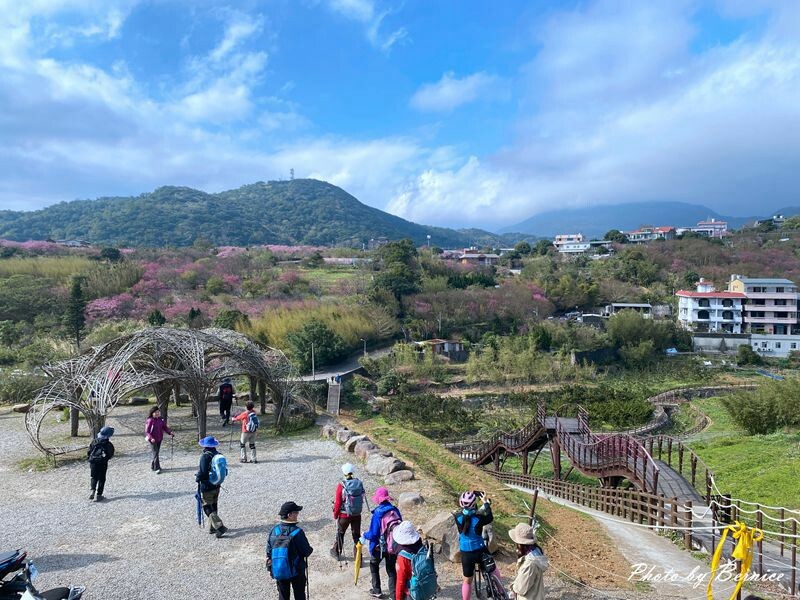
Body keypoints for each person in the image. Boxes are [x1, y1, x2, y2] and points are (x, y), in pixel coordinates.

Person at [266, 501, 314, 600]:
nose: (298, 514)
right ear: (290, 515)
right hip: (296, 571)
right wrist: (310, 549)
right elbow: (306, 552)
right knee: (299, 595)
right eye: (296, 512)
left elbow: (268, 551)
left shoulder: (274, 531)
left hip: (279, 569)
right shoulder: (297, 532)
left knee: (283, 596)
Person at [361, 487, 402, 598]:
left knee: (374, 565)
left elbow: (374, 534)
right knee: (391, 569)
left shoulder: (378, 513)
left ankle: (377, 590)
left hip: (380, 547)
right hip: (393, 546)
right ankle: (394, 595)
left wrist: (364, 535)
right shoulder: (395, 510)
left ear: (379, 500)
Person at [454, 490, 495, 600]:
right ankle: (500, 592)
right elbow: (490, 517)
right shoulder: (479, 518)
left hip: (466, 553)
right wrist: (486, 502)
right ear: (474, 504)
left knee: (467, 580)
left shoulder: (457, 517)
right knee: (493, 571)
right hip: (480, 550)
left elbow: (466, 516)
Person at [195, 436, 228, 538]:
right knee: (214, 505)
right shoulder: (219, 455)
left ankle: (219, 527)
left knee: (206, 506)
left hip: (207, 486)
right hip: (217, 484)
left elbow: (203, 472)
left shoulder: (205, 456)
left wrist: (197, 478)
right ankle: (212, 528)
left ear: (205, 446)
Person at [331, 463, 365, 559]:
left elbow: (338, 503)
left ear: (344, 472)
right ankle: (358, 557)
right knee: (356, 536)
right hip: (357, 514)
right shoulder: (359, 483)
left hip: (344, 515)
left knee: (340, 533)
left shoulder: (342, 485)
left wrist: (335, 514)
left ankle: (336, 552)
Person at [508, 523, 548, 600]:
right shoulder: (536, 552)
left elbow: (521, 589)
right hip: (536, 594)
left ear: (520, 544)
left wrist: (513, 587)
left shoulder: (529, 564)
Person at [393, 521, 424, 600]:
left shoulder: (403, 557)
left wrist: (398, 598)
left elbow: (400, 581)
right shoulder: (421, 547)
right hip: (424, 588)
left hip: (411, 591)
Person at [87, 426, 115, 502]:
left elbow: (89, 452)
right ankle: (99, 495)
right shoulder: (108, 444)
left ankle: (92, 490)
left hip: (93, 462)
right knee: (102, 478)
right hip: (102, 463)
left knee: (93, 477)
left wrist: (90, 458)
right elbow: (110, 454)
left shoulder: (94, 441)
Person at [145, 406, 174, 473]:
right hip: (152, 440)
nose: (157, 413)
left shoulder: (161, 419)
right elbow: (147, 432)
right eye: (155, 412)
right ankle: (157, 468)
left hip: (159, 438)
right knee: (155, 453)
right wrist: (151, 438)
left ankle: (153, 466)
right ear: (152, 413)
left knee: (156, 453)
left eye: (158, 412)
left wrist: (170, 432)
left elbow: (165, 427)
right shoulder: (150, 420)